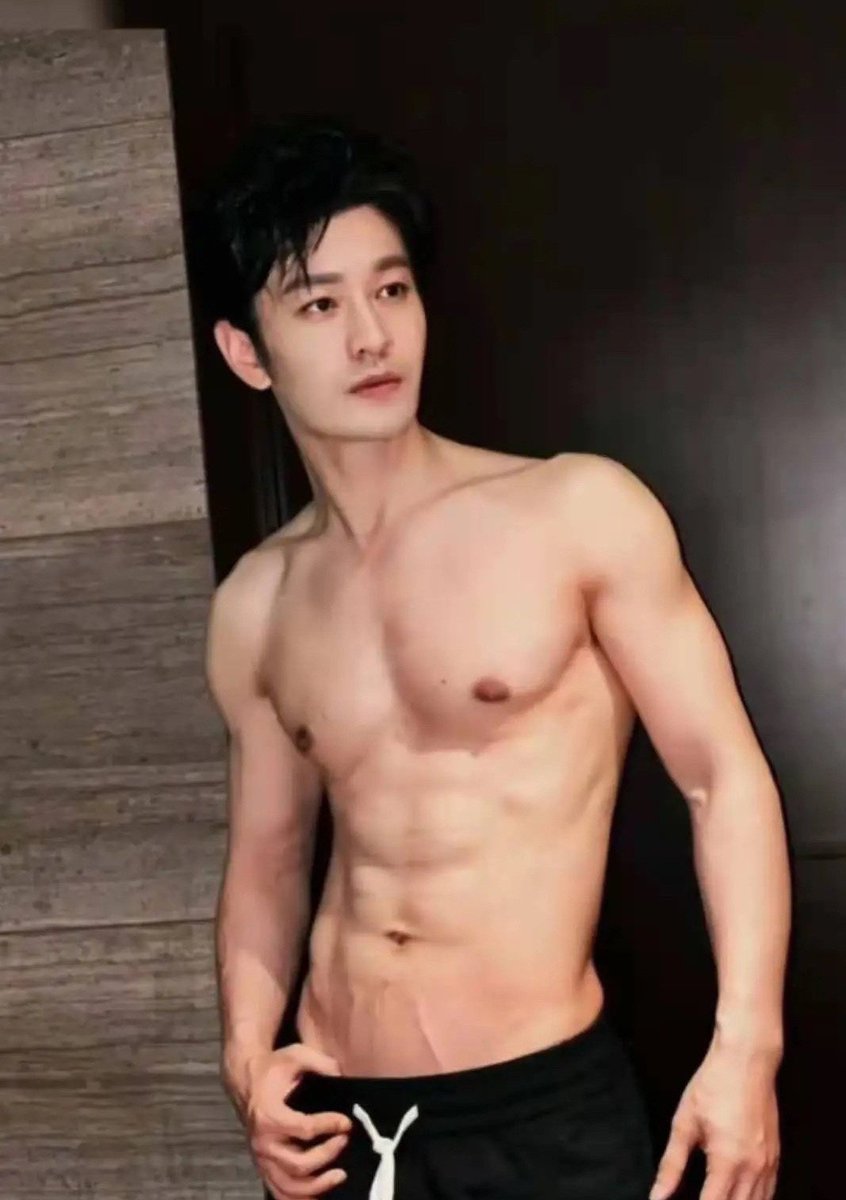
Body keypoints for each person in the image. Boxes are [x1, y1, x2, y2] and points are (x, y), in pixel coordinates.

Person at [197, 117, 790, 1200]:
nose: (372, 337)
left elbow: (723, 778)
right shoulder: (254, 603)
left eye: (392, 290)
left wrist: (747, 1048)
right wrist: (247, 1057)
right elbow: (270, 859)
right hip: (341, 1126)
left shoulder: (576, 512)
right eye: (321, 305)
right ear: (247, 352)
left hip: (540, 1115)